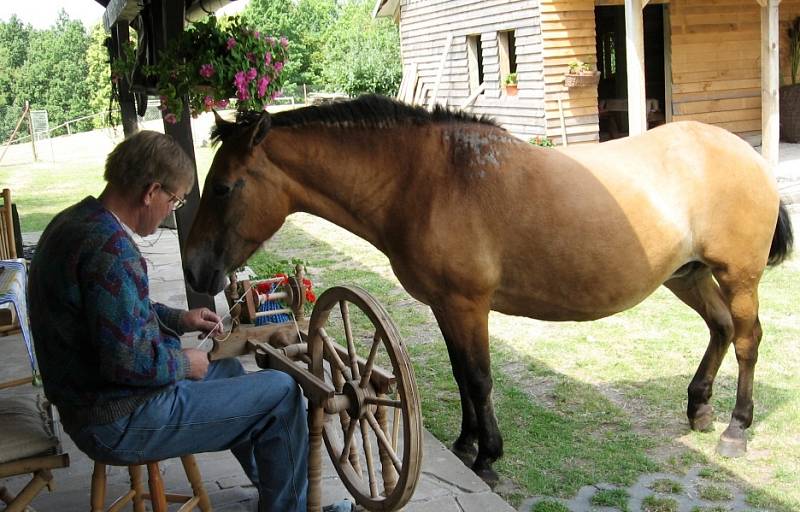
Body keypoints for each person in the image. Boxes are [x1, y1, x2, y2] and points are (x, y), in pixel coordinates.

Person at [28, 131, 308, 511]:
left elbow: (115, 312)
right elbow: (126, 362)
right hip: (115, 419)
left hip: (90, 402)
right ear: (151, 191)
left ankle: (277, 491)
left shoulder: (74, 222)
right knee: (281, 391)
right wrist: (183, 364)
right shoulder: (111, 250)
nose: (171, 211)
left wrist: (181, 318)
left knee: (226, 371)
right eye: (174, 200)